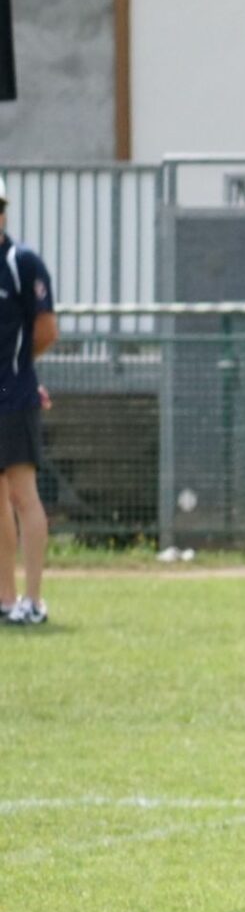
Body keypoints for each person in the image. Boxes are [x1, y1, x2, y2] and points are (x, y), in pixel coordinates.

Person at [0, 176, 57, 626]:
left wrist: (21, 372)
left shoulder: (22, 262)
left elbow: (46, 330)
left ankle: (33, 601)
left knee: (23, 495)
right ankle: (5, 598)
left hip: (14, 400)